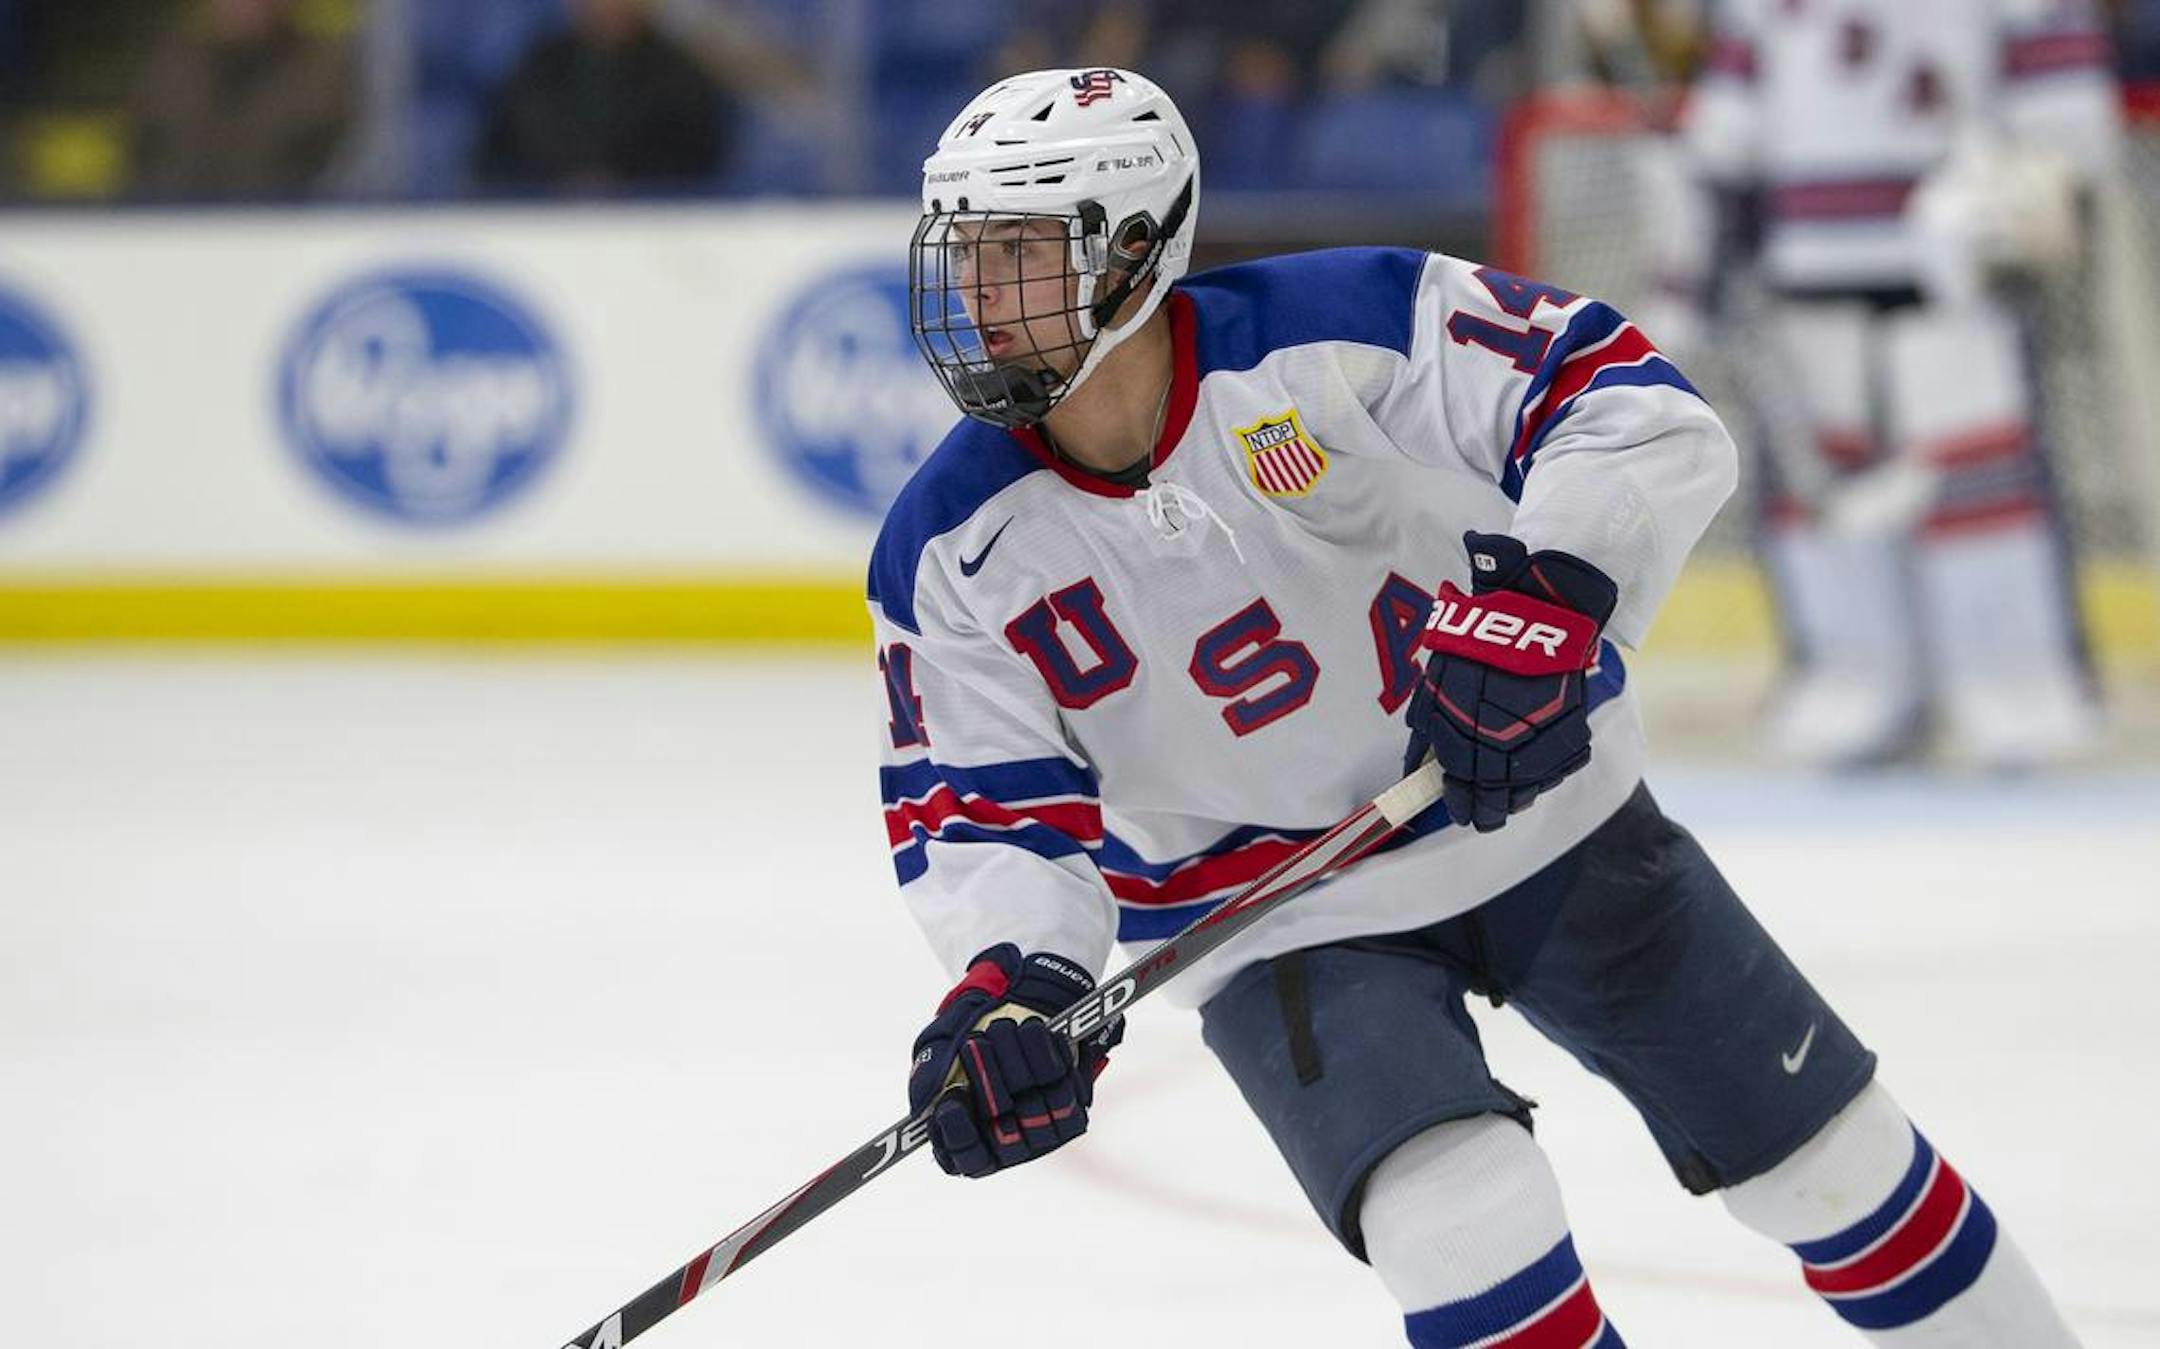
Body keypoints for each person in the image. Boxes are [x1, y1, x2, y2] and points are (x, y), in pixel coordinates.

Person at [870, 68, 2083, 1345]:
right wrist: (1012, 989)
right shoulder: (948, 549)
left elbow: (1627, 403)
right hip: (1277, 917)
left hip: (1537, 815)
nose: (978, 299)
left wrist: (1551, 598)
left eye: (1018, 254)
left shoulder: (1350, 323)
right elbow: (985, 810)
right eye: (965, 254)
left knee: (1835, 1165)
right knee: (1461, 1221)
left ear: (1133, 250)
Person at [1669, 0, 2122, 769]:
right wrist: (1692, 270)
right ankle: (1853, 686)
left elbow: (2067, 122)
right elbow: (1726, 130)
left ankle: (2014, 690)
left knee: (1983, 491)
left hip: (1960, 282)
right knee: (1821, 500)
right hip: (1805, 281)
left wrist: (2030, 191)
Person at [473, 0, 729, 195]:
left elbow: (694, 152)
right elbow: (503, 148)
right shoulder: (541, 65)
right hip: (550, 213)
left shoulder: (677, 70)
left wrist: (624, 181)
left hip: (652, 218)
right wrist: (564, 178)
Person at [129, 0, 354, 200]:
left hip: (292, 235)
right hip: (173, 234)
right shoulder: (171, 71)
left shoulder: (325, 75)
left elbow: (339, 181)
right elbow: (141, 170)